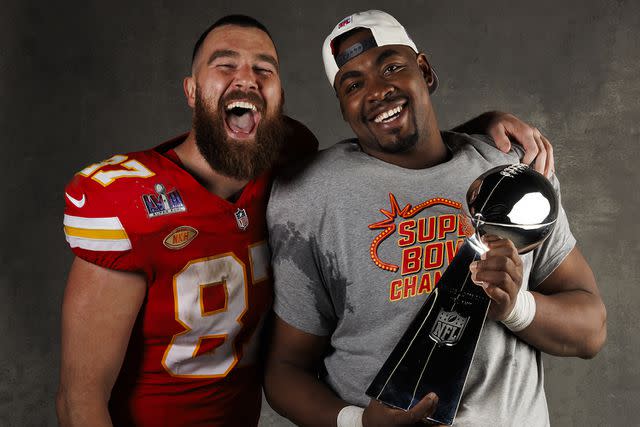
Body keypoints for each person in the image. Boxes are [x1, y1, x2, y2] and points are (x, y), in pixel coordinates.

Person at [56, 13, 554, 427]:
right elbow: (80, 402)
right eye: (224, 65)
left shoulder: (286, 156)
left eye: (264, 69)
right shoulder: (124, 201)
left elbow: (407, 140)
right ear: (191, 91)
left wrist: (480, 136)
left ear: (278, 98)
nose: (245, 78)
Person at [264, 10, 606, 427]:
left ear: (424, 70)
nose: (376, 91)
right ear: (343, 107)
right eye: (353, 85)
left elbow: (591, 330)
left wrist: (517, 307)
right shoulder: (310, 197)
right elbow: (284, 371)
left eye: (391, 66)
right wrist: (359, 424)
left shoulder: (509, 168)